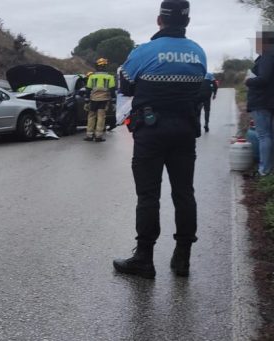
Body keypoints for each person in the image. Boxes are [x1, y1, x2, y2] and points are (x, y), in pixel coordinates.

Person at [113, 0, 207, 278]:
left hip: (151, 132)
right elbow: (201, 88)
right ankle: (182, 259)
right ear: (187, 22)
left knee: (148, 196)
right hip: (185, 131)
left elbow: (126, 85)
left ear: (159, 20)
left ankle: (144, 259)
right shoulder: (199, 53)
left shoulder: (144, 52)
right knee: (184, 193)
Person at [246, 27, 274, 176]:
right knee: (269, 135)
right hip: (269, 101)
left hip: (262, 101)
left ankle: (264, 170)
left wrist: (249, 81)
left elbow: (263, 79)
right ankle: (269, 169)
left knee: (264, 136)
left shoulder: (267, 56)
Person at [84, 58, 116, 142]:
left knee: (91, 116)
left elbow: (88, 89)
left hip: (93, 99)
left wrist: (86, 101)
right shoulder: (110, 77)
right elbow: (112, 90)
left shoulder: (92, 77)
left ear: (96, 67)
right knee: (101, 117)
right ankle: (98, 136)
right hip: (104, 100)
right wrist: (114, 102)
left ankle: (89, 135)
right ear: (105, 67)